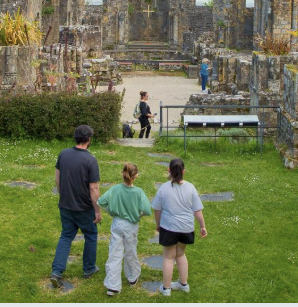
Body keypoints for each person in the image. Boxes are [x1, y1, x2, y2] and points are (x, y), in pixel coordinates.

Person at [50, 125, 102, 288]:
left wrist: (63, 196)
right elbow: (93, 188)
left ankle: (56, 272)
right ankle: (89, 269)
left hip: (65, 206)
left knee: (66, 236)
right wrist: (97, 211)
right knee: (91, 235)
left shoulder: (63, 154)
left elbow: (57, 180)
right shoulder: (90, 160)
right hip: (84, 208)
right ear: (88, 139)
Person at [151, 159, 207, 296]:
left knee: (169, 257)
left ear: (168, 170)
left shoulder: (163, 188)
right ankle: (183, 284)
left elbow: (157, 210)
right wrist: (202, 226)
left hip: (169, 228)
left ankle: (166, 289)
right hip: (186, 229)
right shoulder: (191, 188)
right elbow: (197, 210)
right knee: (180, 254)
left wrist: (158, 224)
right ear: (184, 172)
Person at [98, 163, 152, 296]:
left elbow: (100, 202)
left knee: (114, 253)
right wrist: (138, 216)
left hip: (117, 223)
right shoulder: (139, 192)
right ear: (136, 175)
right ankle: (132, 277)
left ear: (122, 173)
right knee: (130, 251)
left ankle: (113, 286)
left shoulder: (115, 189)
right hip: (131, 225)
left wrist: (110, 211)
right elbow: (146, 210)